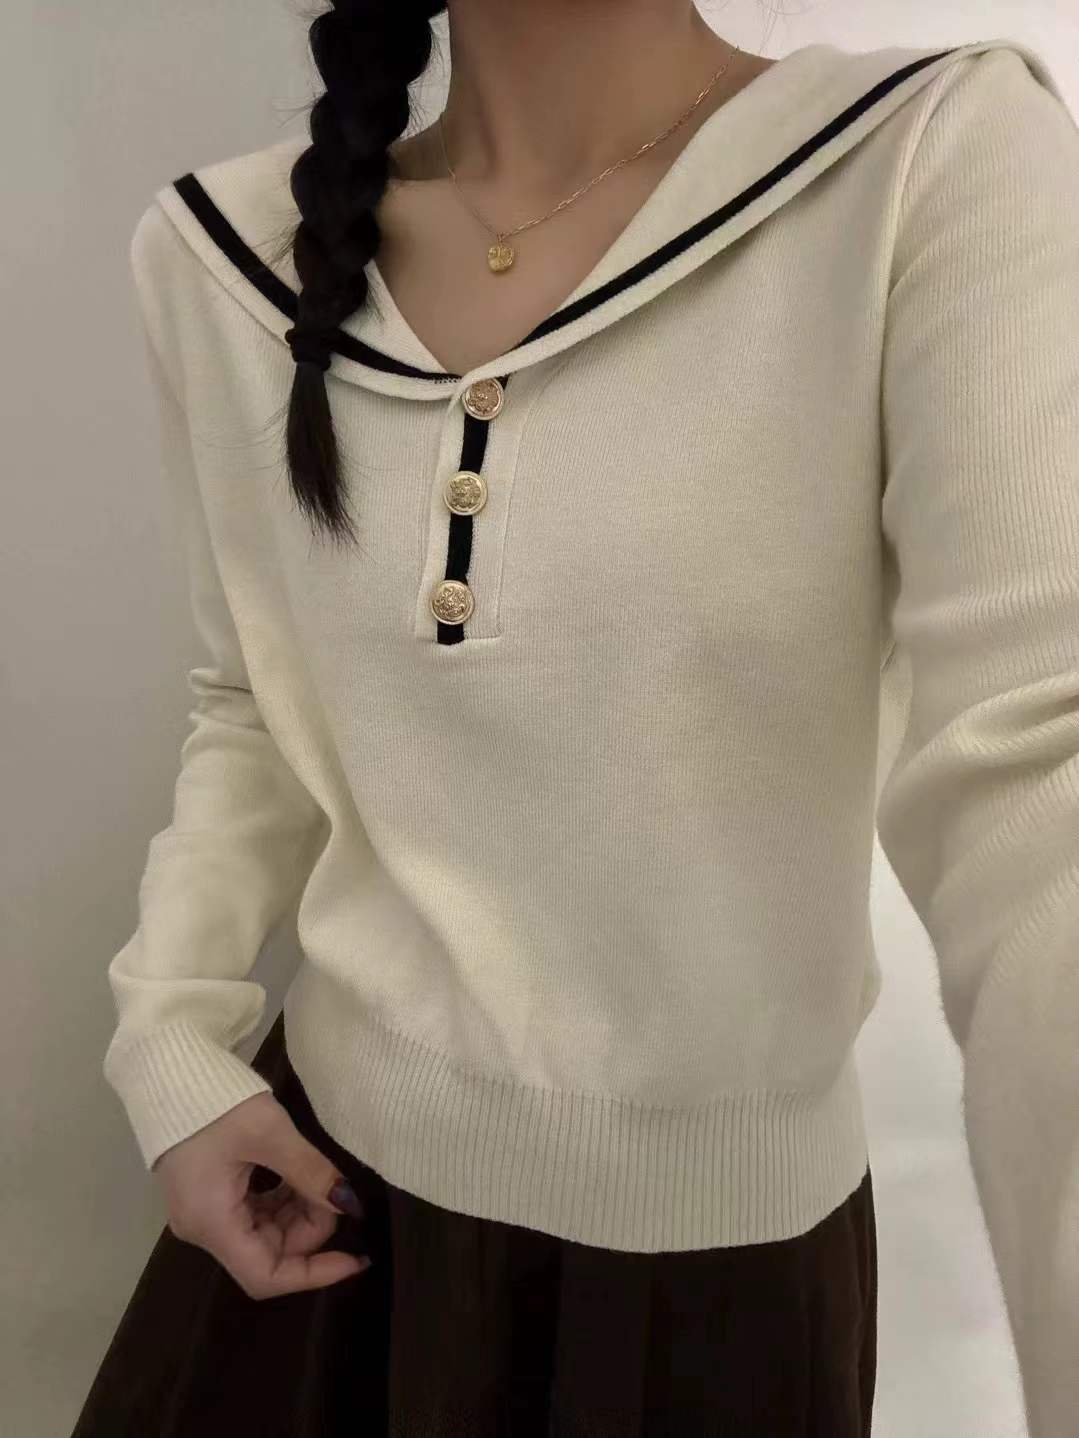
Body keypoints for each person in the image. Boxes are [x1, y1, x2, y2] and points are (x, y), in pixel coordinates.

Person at [73, 2, 1079, 1435]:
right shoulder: (223, 257)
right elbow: (254, 701)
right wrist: (172, 1038)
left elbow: (1041, 758)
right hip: (319, 1214)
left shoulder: (923, 160)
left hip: (718, 1289)